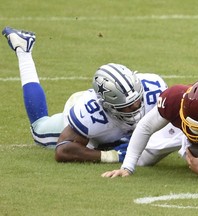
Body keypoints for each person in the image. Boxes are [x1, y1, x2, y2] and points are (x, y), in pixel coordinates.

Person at [2, 26, 184, 165]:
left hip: (114, 127)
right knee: (39, 130)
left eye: (138, 101)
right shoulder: (91, 114)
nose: (136, 108)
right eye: (127, 107)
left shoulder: (155, 87)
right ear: (108, 106)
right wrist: (111, 156)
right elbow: (62, 150)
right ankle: (23, 49)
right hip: (83, 114)